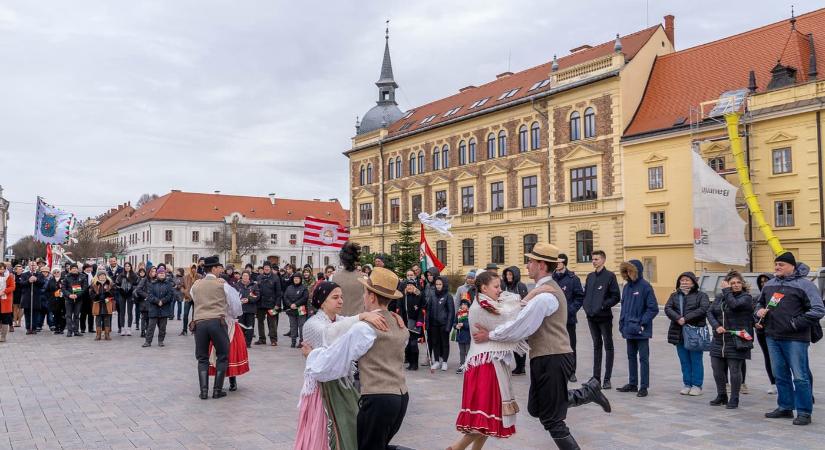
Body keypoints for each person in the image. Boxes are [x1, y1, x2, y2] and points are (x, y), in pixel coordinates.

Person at [472, 243, 610, 450]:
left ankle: (587, 393)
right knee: (536, 408)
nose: (527, 265)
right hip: (545, 358)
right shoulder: (541, 292)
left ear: (542, 265)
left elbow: (521, 326)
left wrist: (490, 335)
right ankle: (587, 392)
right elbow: (518, 311)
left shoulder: (546, 296)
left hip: (553, 358)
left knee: (552, 420)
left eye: (531, 261)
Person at [302, 267, 408, 450]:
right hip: (401, 397)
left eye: (365, 292)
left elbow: (335, 359)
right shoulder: (398, 324)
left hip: (378, 399)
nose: (363, 297)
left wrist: (311, 355)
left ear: (372, 297)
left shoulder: (364, 328)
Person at [451, 271, 527, 449]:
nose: (500, 290)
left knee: (486, 421)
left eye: (500, 286)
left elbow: (509, 307)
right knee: (483, 418)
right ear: (483, 288)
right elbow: (509, 322)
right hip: (484, 367)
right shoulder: (481, 307)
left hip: (490, 363)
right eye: (496, 286)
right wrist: (531, 297)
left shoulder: (489, 303)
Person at [756, 251, 825, 426]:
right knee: (780, 375)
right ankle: (785, 407)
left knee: (800, 376)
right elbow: (759, 303)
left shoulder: (805, 285)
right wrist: (758, 311)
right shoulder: (770, 284)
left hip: (795, 338)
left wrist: (794, 324)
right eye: (776, 264)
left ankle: (804, 412)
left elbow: (818, 309)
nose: (777, 267)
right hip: (772, 336)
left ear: (792, 266)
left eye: (781, 264)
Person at [707, 271, 753, 409]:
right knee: (717, 369)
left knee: (734, 370)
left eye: (739, 282)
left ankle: (734, 398)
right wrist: (716, 326)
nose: (736, 285)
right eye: (732, 283)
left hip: (737, 339)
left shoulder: (746, 297)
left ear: (743, 284)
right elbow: (709, 312)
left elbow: (734, 305)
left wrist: (727, 290)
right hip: (719, 339)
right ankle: (722, 395)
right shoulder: (720, 297)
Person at [190, 255, 232, 399]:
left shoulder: (196, 284)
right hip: (217, 321)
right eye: (219, 267)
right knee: (222, 355)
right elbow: (235, 304)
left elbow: (194, 298)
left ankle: (203, 391)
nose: (220, 270)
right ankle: (217, 390)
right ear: (213, 268)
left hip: (200, 323)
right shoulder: (222, 284)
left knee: (202, 357)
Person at [616, 260, 659, 398]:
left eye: (631, 271)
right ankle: (633, 383)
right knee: (631, 357)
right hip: (628, 329)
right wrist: (621, 324)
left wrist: (642, 323)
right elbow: (624, 308)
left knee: (644, 358)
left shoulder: (646, 287)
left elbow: (653, 308)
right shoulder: (627, 287)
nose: (628, 274)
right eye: (626, 271)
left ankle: (644, 386)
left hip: (641, 330)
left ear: (637, 271)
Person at [663, 271, 709, 396]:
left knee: (696, 360)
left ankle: (697, 385)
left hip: (694, 332)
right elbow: (668, 308)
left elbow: (703, 309)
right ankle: (687, 384)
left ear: (693, 282)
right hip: (678, 332)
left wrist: (686, 318)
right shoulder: (674, 296)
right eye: (682, 280)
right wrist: (678, 318)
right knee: (684, 360)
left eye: (687, 280)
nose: (684, 282)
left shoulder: (701, 295)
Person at [582, 250, 620, 389]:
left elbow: (616, 296)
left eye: (596, 259)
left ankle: (607, 379)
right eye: (593, 259)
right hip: (591, 317)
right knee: (596, 346)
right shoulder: (590, 276)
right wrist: (586, 307)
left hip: (604, 317)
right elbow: (586, 294)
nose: (594, 261)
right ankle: (596, 377)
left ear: (603, 260)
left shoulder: (610, 276)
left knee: (608, 346)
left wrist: (603, 305)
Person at [208, 270, 248, 394]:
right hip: (221, 323)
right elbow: (237, 310)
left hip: (228, 324)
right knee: (223, 352)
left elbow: (236, 310)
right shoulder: (225, 290)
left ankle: (230, 381)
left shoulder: (227, 290)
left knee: (228, 352)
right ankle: (223, 384)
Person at [552, 255, 584, 383]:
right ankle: (558, 371)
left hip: (568, 319)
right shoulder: (551, 278)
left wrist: (570, 310)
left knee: (571, 346)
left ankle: (571, 372)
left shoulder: (573, 279)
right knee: (554, 346)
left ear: (564, 263)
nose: (557, 264)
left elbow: (579, 297)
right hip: (553, 319)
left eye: (559, 262)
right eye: (556, 262)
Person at [501, 266, 528, 376]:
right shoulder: (504, 285)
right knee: (513, 342)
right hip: (508, 318)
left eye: (511, 275)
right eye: (507, 275)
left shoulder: (521, 286)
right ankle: (518, 367)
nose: (508, 277)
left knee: (520, 342)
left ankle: (521, 367)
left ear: (515, 275)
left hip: (520, 318)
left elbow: (525, 300)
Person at [426, 276, 455, 371]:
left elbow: (451, 312)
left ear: (444, 285)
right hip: (434, 324)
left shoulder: (448, 296)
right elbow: (428, 310)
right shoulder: (432, 295)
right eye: (437, 284)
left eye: (440, 284)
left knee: (445, 343)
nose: (438, 286)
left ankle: (445, 362)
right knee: (435, 343)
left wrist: (448, 326)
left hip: (444, 324)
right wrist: (427, 323)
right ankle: (437, 361)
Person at [755, 273, 776, 394]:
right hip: (762, 331)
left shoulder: (776, 297)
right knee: (768, 358)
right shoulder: (758, 297)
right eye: (761, 281)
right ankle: (773, 383)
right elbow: (754, 312)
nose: (763, 283)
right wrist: (755, 321)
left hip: (775, 331)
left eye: (766, 281)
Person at [143, 266, 174, 348]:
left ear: (165, 274)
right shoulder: (152, 284)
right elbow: (150, 295)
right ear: (157, 274)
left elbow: (170, 295)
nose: (161, 274)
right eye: (160, 273)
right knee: (151, 327)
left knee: (162, 327)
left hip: (164, 308)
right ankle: (148, 341)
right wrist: (157, 301)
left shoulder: (168, 284)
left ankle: (161, 341)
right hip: (154, 308)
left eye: (163, 273)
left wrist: (163, 301)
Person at [398, 278, 424, 371]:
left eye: (411, 285)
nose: (409, 287)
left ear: (414, 287)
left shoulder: (418, 295)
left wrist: (420, 320)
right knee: (408, 344)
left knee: (413, 344)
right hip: (405, 322)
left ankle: (415, 364)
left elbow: (422, 308)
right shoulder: (403, 296)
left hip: (415, 322)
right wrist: (400, 319)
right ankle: (410, 363)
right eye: (408, 285)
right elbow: (400, 308)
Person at [255, 262, 282, 346]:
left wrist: (277, 304)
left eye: (268, 267)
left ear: (270, 268)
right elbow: (256, 290)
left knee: (272, 322)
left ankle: (273, 339)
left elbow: (279, 292)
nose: (266, 268)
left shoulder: (275, 277)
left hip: (272, 304)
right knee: (260, 321)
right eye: (265, 267)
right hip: (260, 304)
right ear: (263, 268)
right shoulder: (259, 277)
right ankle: (262, 338)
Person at [336, 242, 365, 317]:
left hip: (340, 320)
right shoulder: (363, 278)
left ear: (342, 259)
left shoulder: (334, 277)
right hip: (358, 320)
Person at [284, 272, 309, 348]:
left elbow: (305, 297)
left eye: (298, 278)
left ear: (300, 279)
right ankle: (293, 341)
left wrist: (296, 304)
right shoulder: (289, 287)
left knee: (301, 326)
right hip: (291, 310)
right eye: (295, 278)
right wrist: (290, 304)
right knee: (293, 326)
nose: (296, 280)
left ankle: (301, 342)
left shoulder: (304, 287)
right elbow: (285, 297)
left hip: (301, 309)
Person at [62, 264, 87, 337]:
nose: (74, 269)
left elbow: (84, 288)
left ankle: (76, 331)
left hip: (78, 299)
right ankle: (69, 331)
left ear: (78, 269)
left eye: (76, 268)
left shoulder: (82, 277)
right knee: (68, 315)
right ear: (70, 269)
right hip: (68, 299)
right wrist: (69, 295)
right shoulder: (66, 277)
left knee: (76, 315)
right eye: (73, 268)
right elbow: (63, 288)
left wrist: (77, 295)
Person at [89, 269, 115, 341]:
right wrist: (97, 296)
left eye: (104, 275)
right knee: (98, 320)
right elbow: (91, 294)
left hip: (107, 304)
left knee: (107, 320)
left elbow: (113, 293)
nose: (102, 277)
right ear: (98, 277)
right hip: (98, 304)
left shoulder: (109, 284)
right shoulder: (94, 284)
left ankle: (107, 334)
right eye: (101, 275)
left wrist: (108, 294)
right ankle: (98, 335)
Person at [18, 263, 44, 334]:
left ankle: (34, 328)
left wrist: (36, 280)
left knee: (35, 314)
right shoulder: (24, 274)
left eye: (34, 265)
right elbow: (21, 284)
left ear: (36, 266)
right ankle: (28, 328)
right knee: (27, 313)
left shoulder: (40, 274)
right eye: (31, 265)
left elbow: (42, 283)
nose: (33, 267)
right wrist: (28, 281)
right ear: (29, 266)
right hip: (27, 297)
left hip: (36, 297)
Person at [236, 271, 258, 348]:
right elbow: (234, 296)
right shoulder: (237, 285)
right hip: (240, 310)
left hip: (250, 309)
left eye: (247, 276)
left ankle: (248, 343)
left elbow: (257, 296)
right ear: (241, 276)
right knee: (240, 327)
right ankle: (241, 342)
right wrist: (240, 300)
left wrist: (249, 299)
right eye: (244, 275)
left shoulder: (254, 285)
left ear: (249, 277)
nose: (245, 277)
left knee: (250, 327)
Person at [116, 262, 138, 336]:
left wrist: (132, 290)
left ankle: (129, 328)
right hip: (122, 295)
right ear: (124, 267)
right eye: (126, 266)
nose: (127, 267)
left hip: (130, 295)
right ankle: (122, 328)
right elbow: (117, 284)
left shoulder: (134, 275)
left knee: (129, 312)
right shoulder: (121, 275)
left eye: (128, 266)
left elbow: (136, 285)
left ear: (131, 267)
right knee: (122, 312)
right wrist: (121, 290)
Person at [105, 257, 123, 333]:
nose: (113, 262)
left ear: (116, 261)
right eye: (111, 261)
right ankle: (109, 327)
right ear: (109, 262)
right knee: (109, 309)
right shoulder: (106, 270)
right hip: (109, 292)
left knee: (120, 310)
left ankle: (120, 327)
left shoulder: (121, 269)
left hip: (119, 292)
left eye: (114, 261)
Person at [180, 264, 198, 336]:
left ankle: (194, 329)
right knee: (185, 314)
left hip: (196, 299)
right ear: (190, 269)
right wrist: (185, 291)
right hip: (188, 298)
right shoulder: (185, 277)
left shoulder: (199, 276)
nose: (193, 269)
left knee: (195, 315)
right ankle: (184, 330)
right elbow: (181, 287)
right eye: (192, 268)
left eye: (195, 268)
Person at [454, 300, 471, 375]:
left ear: (468, 306)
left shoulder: (470, 314)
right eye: (462, 304)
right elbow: (454, 322)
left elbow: (471, 325)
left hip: (468, 336)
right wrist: (455, 326)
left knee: (468, 351)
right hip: (460, 336)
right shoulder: (458, 313)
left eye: (465, 304)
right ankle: (462, 364)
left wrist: (463, 325)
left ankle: (468, 365)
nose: (463, 306)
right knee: (461, 352)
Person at [0, 262, 15, 342]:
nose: (2, 270)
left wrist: (4, 291)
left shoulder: (9, 276)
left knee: (5, 318)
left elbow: (12, 287)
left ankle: (3, 336)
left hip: (6, 300)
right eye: (0, 268)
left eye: (3, 269)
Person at [133, 267, 149, 338]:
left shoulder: (147, 279)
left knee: (147, 317)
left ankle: (147, 330)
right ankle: (143, 331)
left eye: (143, 272)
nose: (142, 273)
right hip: (141, 299)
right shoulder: (138, 279)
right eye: (140, 272)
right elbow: (136, 288)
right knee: (143, 316)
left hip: (147, 300)